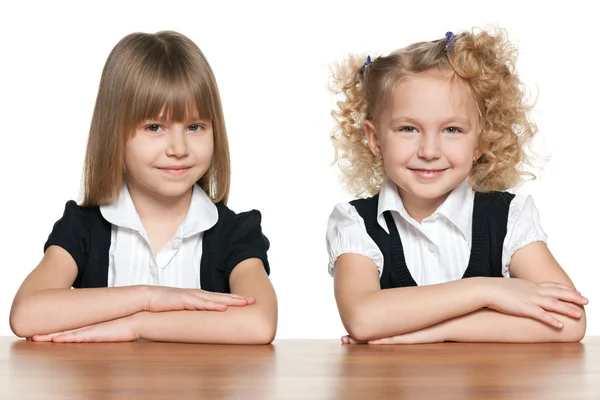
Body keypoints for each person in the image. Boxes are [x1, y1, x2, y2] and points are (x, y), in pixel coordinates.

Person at [10, 30, 277, 344]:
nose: (178, 148)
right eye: (154, 127)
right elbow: (26, 314)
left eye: (194, 126)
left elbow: (259, 324)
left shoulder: (234, 231)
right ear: (114, 133)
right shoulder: (84, 226)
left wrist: (138, 325)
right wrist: (149, 297)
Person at [326, 28, 587, 344]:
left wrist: (436, 332)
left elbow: (569, 321)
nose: (430, 151)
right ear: (375, 139)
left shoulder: (510, 218)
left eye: (452, 129)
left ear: (480, 141)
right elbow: (364, 318)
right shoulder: (355, 224)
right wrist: (488, 290)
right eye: (408, 128)